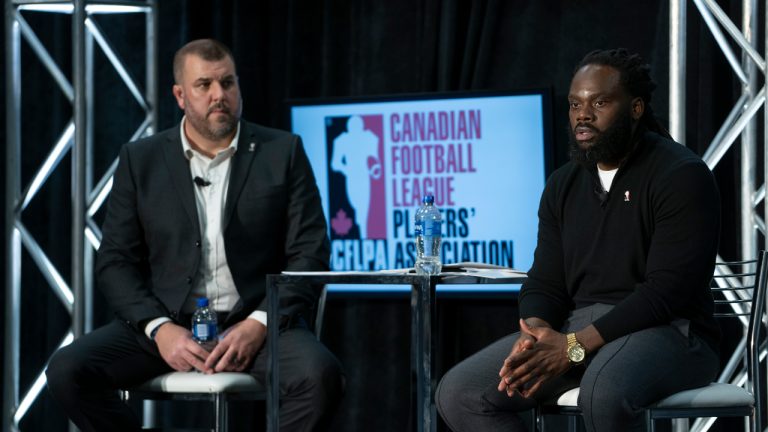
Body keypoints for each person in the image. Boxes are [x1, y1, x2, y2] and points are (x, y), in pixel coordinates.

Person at [46, 38, 344, 432]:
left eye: (228, 83)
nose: (219, 95)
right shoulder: (141, 160)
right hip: (168, 323)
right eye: (204, 85)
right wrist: (159, 328)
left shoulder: (282, 152)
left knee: (321, 377)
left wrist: (259, 323)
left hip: (258, 323)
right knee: (68, 371)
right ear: (180, 95)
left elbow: (310, 254)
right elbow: (115, 262)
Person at [436, 48, 721, 431]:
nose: (582, 116)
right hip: (580, 331)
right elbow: (545, 281)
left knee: (603, 392)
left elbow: (666, 293)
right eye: (574, 105)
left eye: (599, 102)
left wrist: (573, 347)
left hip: (671, 332)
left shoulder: (681, 175)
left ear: (635, 108)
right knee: (460, 393)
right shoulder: (562, 184)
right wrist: (537, 332)